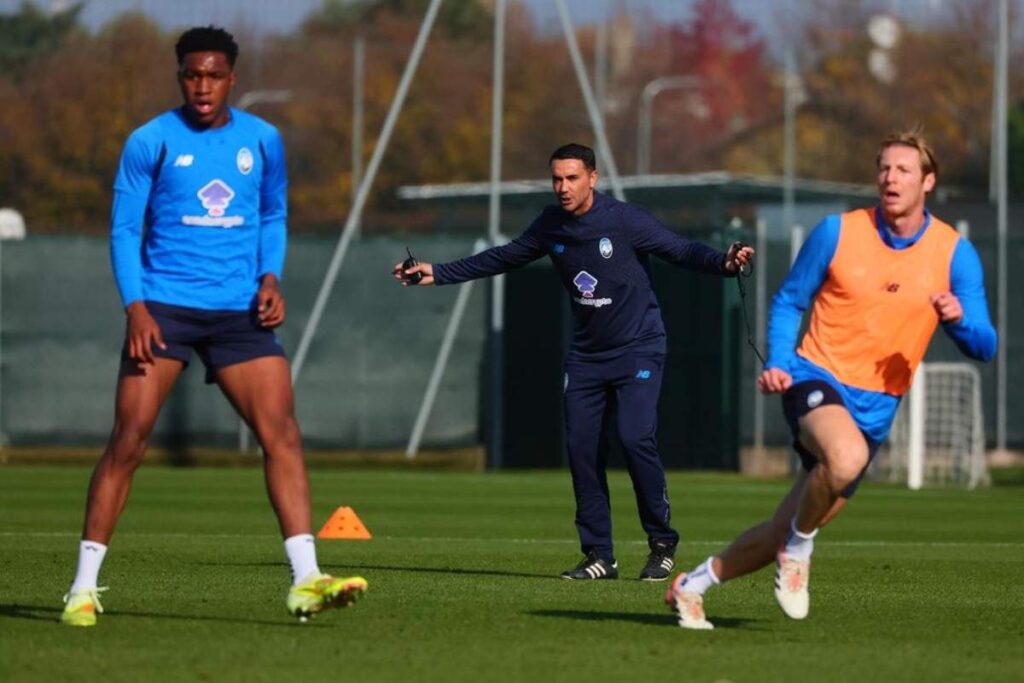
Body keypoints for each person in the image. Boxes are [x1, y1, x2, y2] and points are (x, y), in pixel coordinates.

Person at [60, 26, 367, 627]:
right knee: (128, 442)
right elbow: (124, 230)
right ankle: (82, 589)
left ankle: (306, 579)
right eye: (192, 75)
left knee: (282, 433)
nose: (203, 86)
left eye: (214, 75)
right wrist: (136, 307)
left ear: (232, 78)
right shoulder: (150, 140)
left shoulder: (264, 140)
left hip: (239, 314)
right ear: (180, 77)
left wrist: (270, 277)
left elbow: (273, 212)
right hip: (165, 309)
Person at [665, 130, 997, 629]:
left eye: (904, 170)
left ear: (928, 182)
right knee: (844, 462)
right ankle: (800, 551)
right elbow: (789, 300)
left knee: (785, 526)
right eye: (884, 167)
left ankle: (694, 586)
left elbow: (985, 345)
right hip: (815, 377)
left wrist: (957, 321)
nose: (890, 177)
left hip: (877, 406)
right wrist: (779, 360)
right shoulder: (837, 231)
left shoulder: (954, 253)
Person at [394, 143, 753, 581]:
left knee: (635, 436)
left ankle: (662, 545)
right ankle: (599, 555)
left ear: (593, 178)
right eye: (556, 179)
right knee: (582, 450)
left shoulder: (625, 221)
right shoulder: (551, 224)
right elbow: (504, 256)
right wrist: (437, 272)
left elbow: (680, 249)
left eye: (571, 178)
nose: (563, 188)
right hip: (587, 357)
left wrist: (725, 262)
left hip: (639, 347)